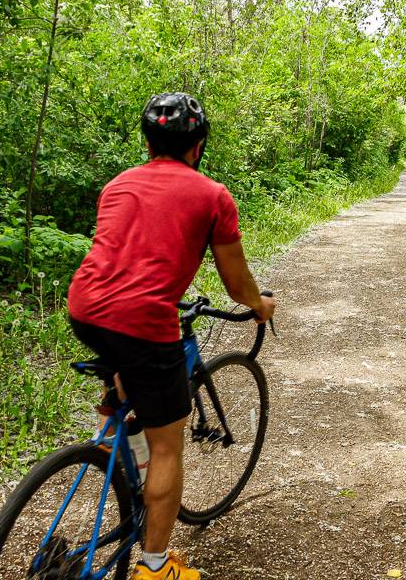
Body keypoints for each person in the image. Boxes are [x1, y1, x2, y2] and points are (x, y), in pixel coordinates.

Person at [67, 92, 276, 580]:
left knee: (126, 369)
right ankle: (156, 568)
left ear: (147, 141)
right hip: (143, 322)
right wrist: (259, 305)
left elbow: (127, 255)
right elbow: (236, 282)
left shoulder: (116, 186)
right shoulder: (213, 196)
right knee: (169, 446)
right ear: (198, 145)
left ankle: (123, 435)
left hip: (85, 310)